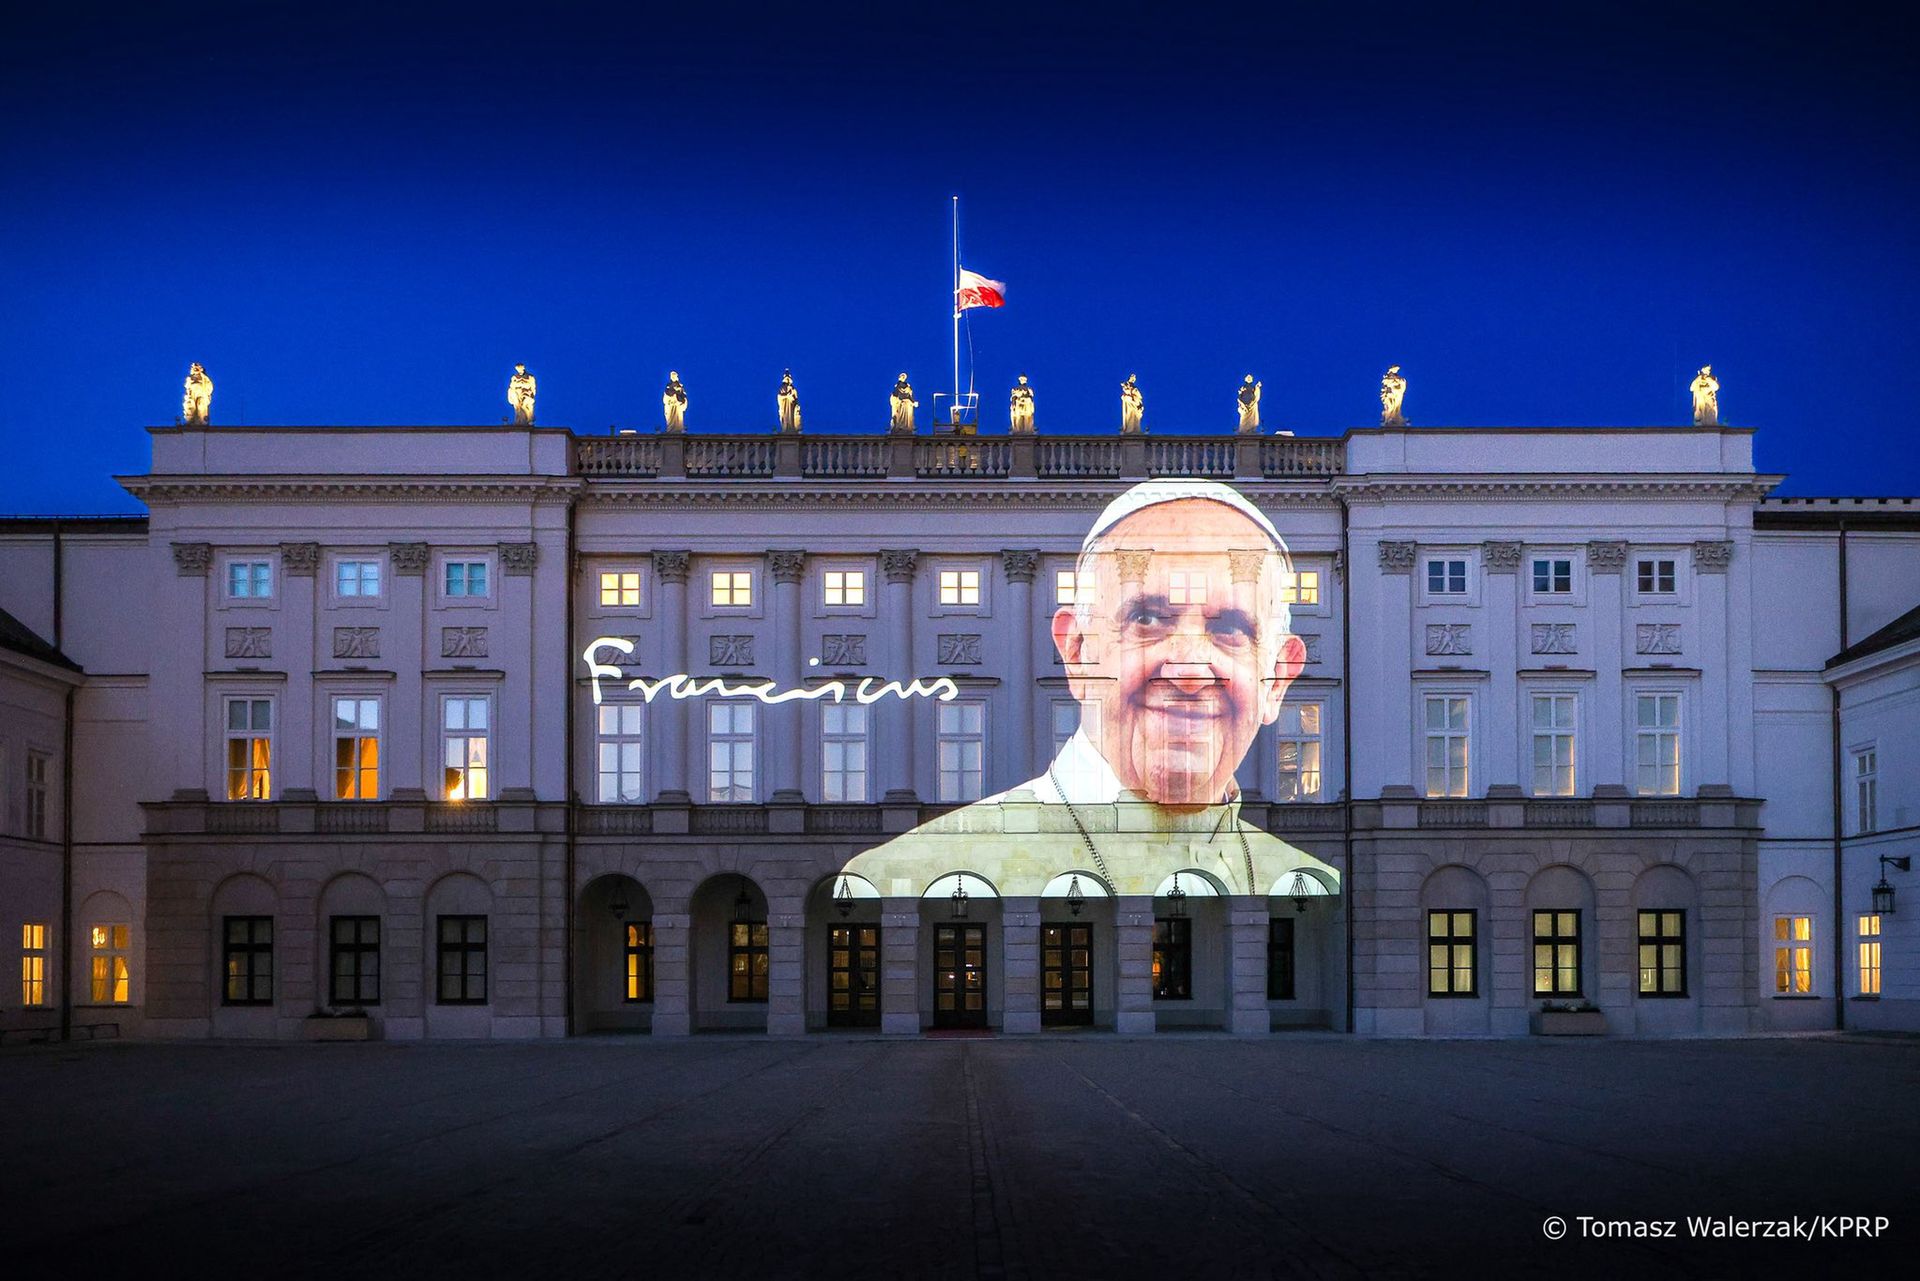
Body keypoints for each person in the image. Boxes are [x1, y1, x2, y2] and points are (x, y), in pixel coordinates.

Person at [838, 478, 1339, 899]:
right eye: (1147, 618)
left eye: (1230, 627)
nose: (1189, 668)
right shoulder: (892, 874)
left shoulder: (1306, 878)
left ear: (1277, 677)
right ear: (1076, 653)